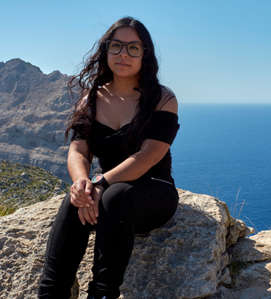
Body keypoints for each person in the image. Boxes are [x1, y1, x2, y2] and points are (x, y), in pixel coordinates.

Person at [38, 17, 180, 299]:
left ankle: (102, 294)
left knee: (113, 197)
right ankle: (51, 292)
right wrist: (82, 183)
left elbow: (148, 156)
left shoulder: (163, 99)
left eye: (132, 48)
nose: (123, 54)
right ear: (106, 51)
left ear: (145, 54)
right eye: (116, 47)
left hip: (154, 192)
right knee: (75, 199)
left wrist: (101, 182)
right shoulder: (91, 99)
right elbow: (78, 150)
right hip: (108, 192)